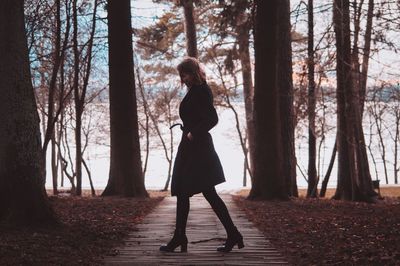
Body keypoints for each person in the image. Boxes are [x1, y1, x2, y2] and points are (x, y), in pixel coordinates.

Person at [159, 57, 244, 253]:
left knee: (205, 192)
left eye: (185, 74)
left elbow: (212, 118)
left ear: (193, 72)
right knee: (187, 192)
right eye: (181, 75)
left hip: (198, 149)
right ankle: (182, 236)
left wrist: (193, 133)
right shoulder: (195, 90)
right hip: (191, 148)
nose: (183, 78)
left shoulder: (202, 90)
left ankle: (230, 234)